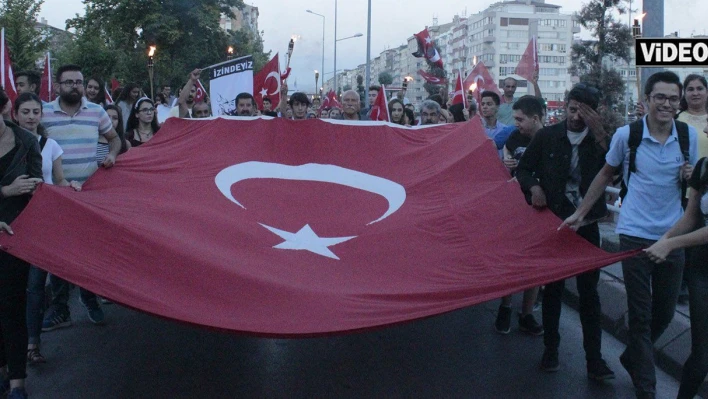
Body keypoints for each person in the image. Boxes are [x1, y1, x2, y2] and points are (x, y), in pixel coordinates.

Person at [561, 71, 699, 398]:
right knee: (641, 315)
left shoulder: (687, 136)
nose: (666, 103)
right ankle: (646, 390)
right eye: (659, 97)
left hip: (672, 235)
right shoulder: (628, 135)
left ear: (678, 102)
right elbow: (605, 173)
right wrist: (581, 212)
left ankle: (631, 356)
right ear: (647, 100)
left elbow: (692, 184)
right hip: (634, 234)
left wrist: (689, 175)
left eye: (672, 98)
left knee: (664, 312)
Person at [516, 86, 615, 380]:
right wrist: (534, 188)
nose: (574, 116)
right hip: (554, 224)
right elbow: (524, 170)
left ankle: (594, 359)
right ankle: (551, 348)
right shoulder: (548, 136)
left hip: (587, 226)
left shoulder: (601, 143)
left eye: (582, 111)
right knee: (554, 290)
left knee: (589, 295)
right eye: (571, 109)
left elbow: (619, 169)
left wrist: (600, 136)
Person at [41, 64, 122, 331]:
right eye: (69, 82)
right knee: (60, 252)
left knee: (89, 249)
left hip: (89, 194)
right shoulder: (43, 112)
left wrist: (111, 155)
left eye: (79, 82)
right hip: (56, 194)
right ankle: (60, 307)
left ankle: (89, 298)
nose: (75, 86)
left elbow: (114, 139)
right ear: (58, 85)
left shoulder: (96, 111)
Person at [12, 92, 82, 366]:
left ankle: (33, 344)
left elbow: (58, 179)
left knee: (35, 286)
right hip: (12, 219)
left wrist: (71, 186)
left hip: (41, 221)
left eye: (35, 112)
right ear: (15, 113)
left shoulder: (50, 145)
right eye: (26, 112)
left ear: (41, 115)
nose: (31, 117)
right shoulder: (7, 143)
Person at [643, 140, 708, 399]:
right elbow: (691, 217)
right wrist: (664, 239)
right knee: (701, 352)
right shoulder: (704, 167)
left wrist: (670, 243)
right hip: (702, 268)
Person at [0, 86, 43, 399]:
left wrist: (38, 188)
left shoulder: (27, 142)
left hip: (16, 237)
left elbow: (37, 192)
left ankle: (17, 382)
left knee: (12, 307)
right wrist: (4, 191)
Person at [675, 74, 708, 304]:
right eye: (690, 89)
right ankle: (683, 284)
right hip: (686, 189)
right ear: (684, 94)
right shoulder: (677, 119)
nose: (695, 93)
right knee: (688, 236)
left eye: (700, 88)